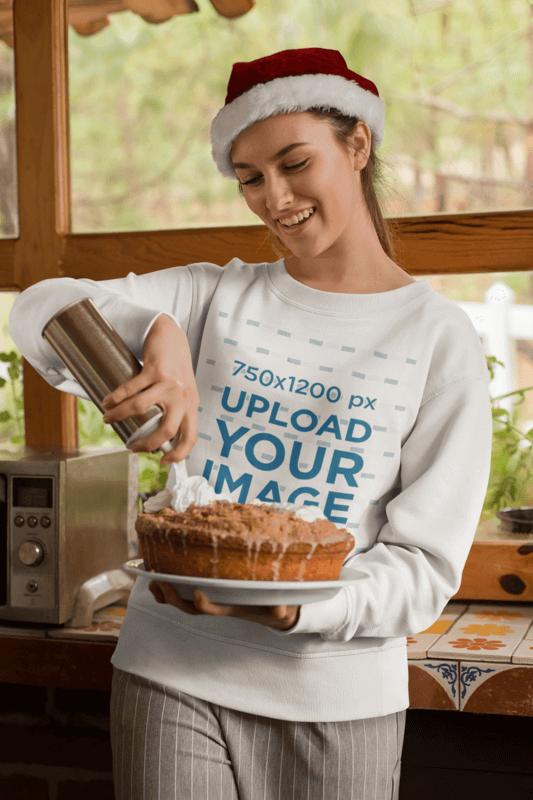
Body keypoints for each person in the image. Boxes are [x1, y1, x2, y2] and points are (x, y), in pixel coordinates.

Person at [9, 47, 493, 800]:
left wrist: (301, 606)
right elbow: (37, 306)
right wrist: (159, 326)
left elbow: (424, 568)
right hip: (171, 671)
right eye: (250, 178)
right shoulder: (212, 297)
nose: (274, 197)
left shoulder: (437, 337)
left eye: (295, 163)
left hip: (337, 700)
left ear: (356, 143)